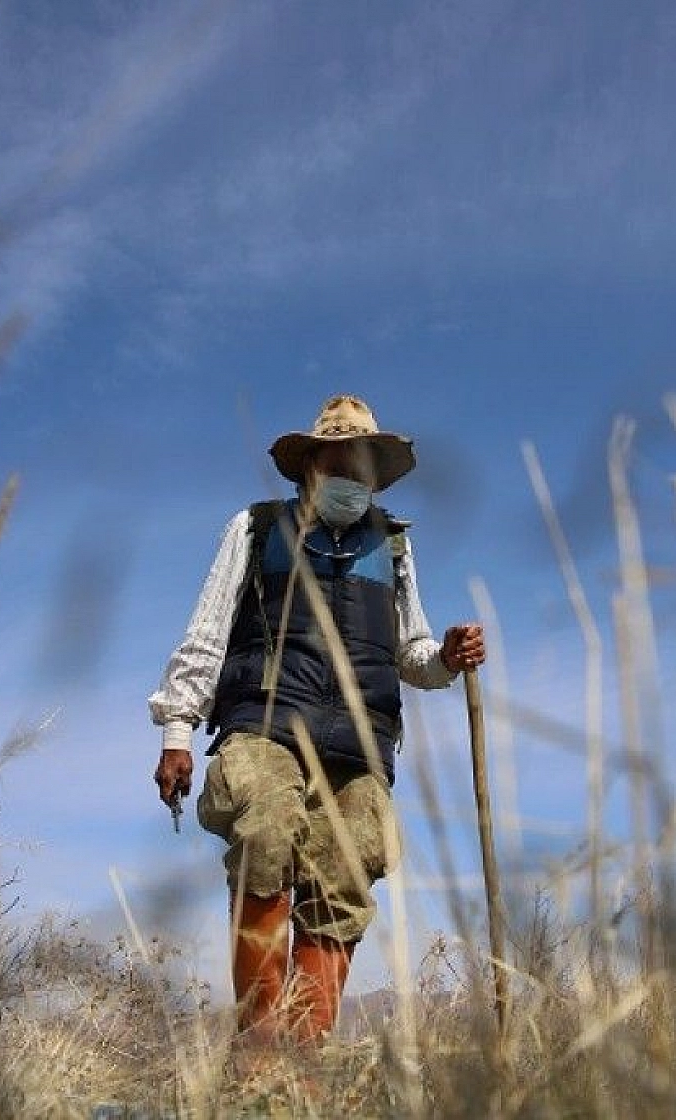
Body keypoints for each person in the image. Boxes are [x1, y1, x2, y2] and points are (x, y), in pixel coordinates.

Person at [148, 394, 485, 1048]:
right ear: (311, 464)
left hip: (360, 745)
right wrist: (176, 731)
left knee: (349, 873)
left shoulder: (393, 545)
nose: (353, 473)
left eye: (365, 461)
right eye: (340, 458)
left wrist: (446, 656)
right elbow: (207, 633)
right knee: (268, 831)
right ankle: (260, 1051)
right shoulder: (256, 527)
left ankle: (302, 1067)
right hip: (265, 724)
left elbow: (411, 653)